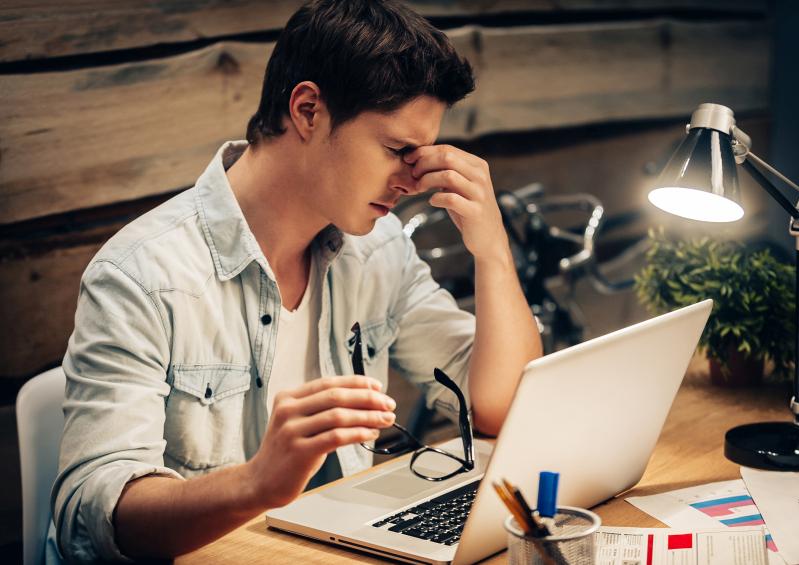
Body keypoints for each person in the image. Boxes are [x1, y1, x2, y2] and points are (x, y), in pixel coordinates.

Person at [51, 0, 542, 561]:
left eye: (419, 155)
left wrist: (493, 252)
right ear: (308, 110)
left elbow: (503, 410)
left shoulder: (378, 251)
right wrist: (258, 483)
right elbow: (93, 516)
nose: (411, 180)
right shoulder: (141, 274)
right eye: (396, 150)